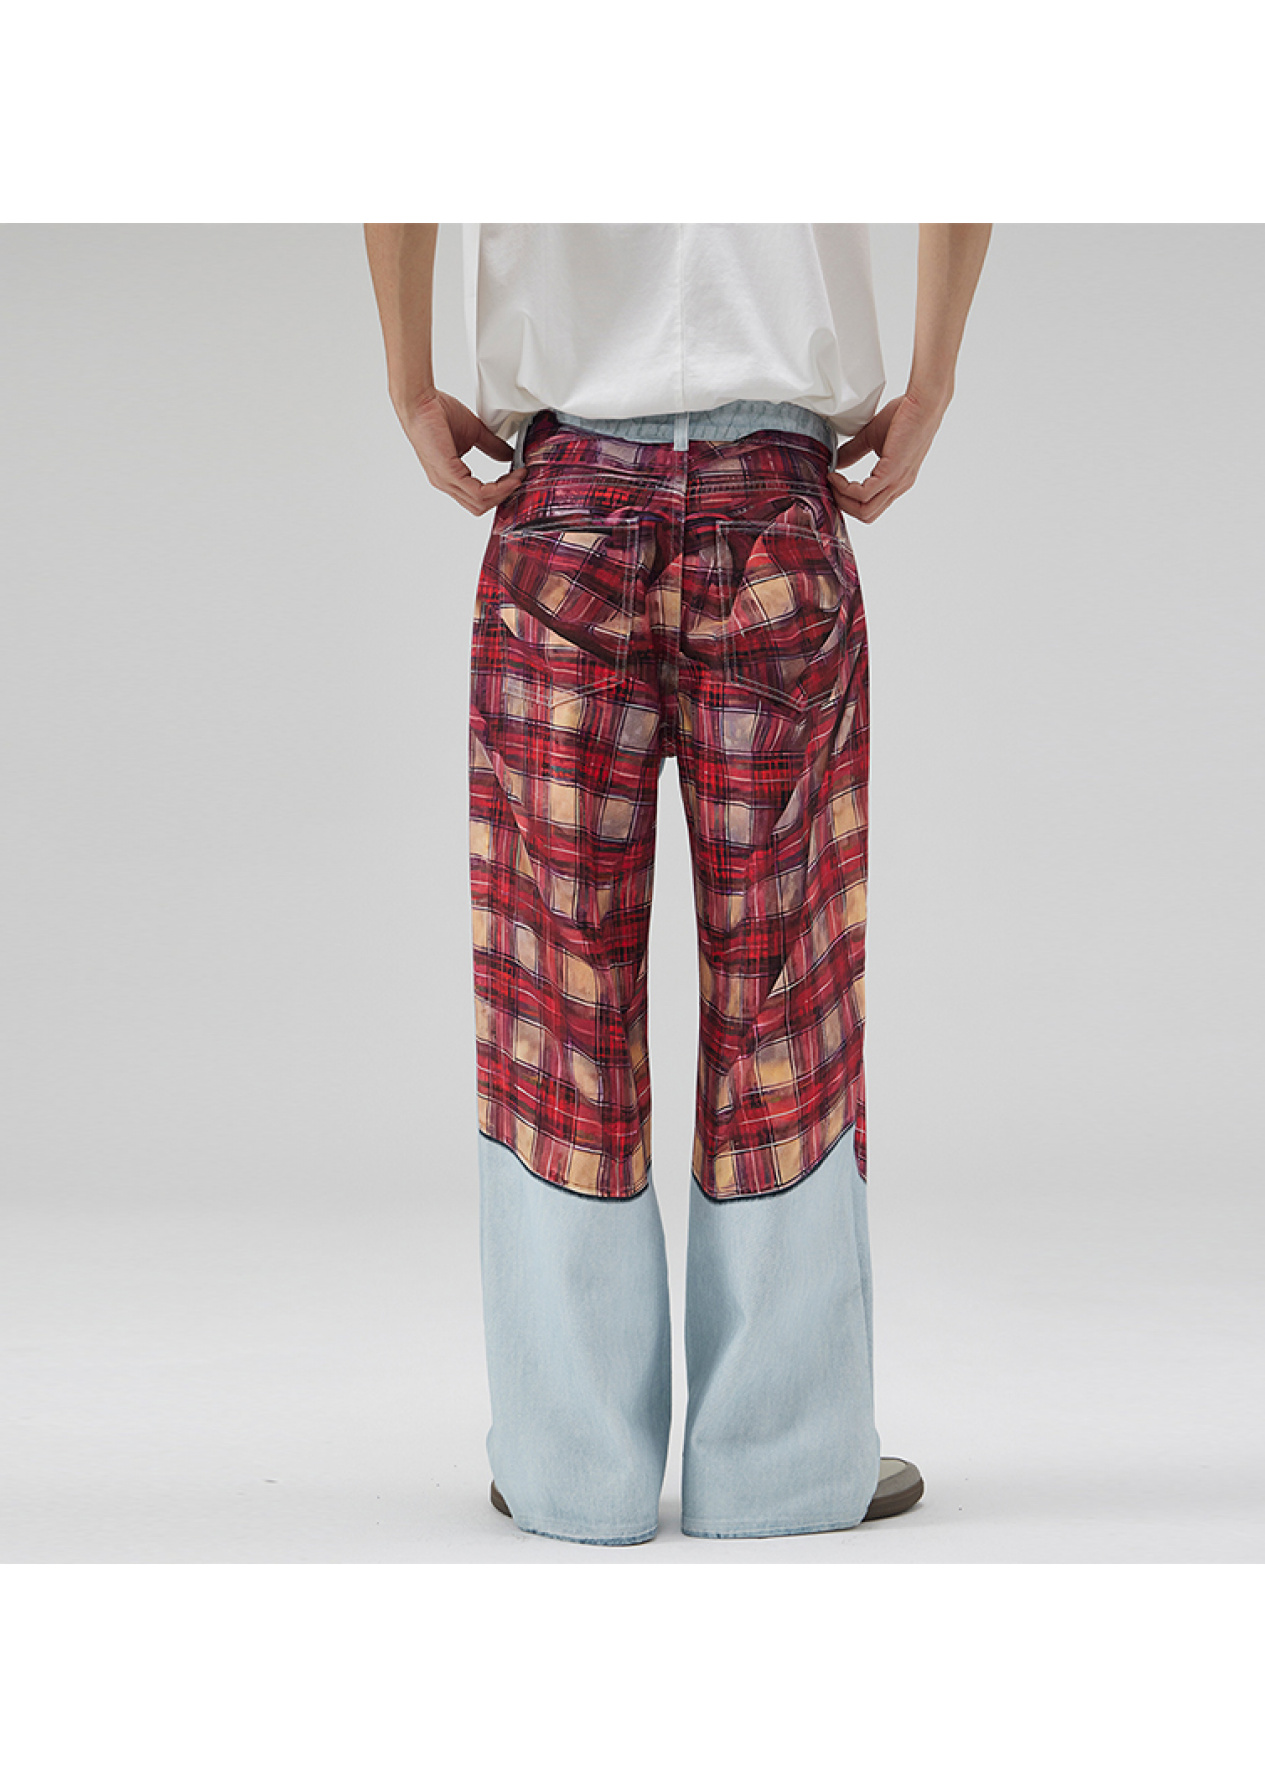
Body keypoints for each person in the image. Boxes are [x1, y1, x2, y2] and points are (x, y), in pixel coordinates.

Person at [364, 222, 992, 1545]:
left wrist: (410, 380)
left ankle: (570, 1466)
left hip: (565, 513)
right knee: (785, 987)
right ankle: (782, 1466)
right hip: (776, 512)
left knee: (555, 993)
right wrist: (931, 379)